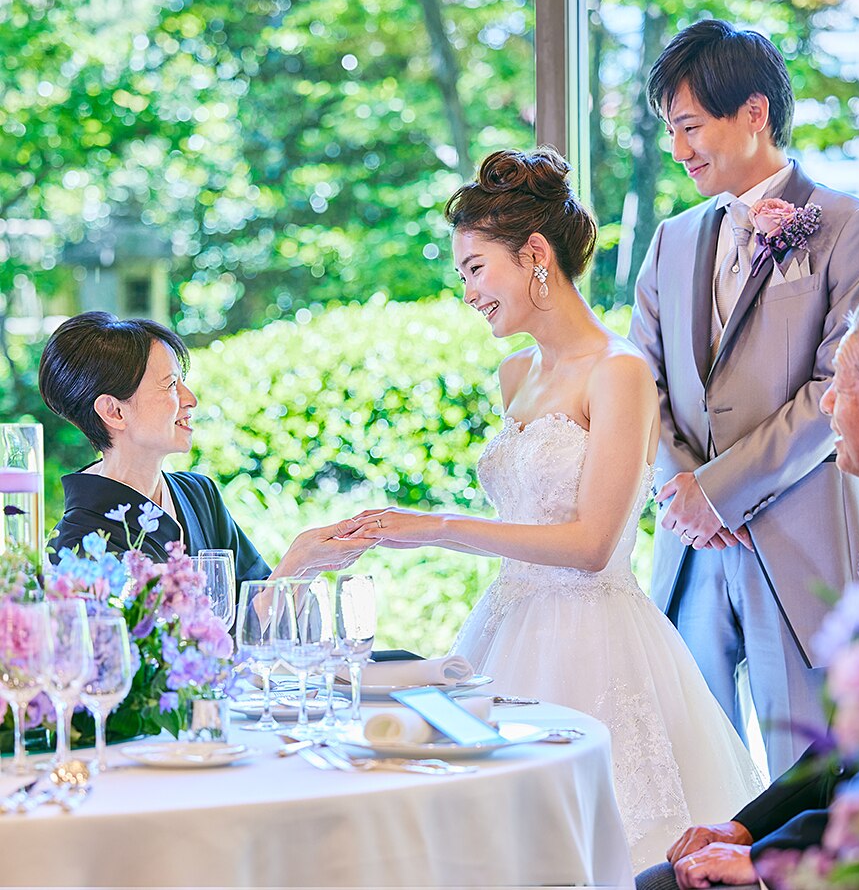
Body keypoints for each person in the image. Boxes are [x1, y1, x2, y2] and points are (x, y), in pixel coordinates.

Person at [343, 148, 764, 870]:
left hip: (595, 643)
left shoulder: (620, 371)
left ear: (535, 255)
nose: (468, 292)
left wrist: (437, 528)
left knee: (598, 849)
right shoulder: (515, 374)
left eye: (475, 269)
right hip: (506, 630)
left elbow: (593, 544)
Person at [627, 19, 859, 778]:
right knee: (696, 779)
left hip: (800, 545)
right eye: (671, 131)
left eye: (689, 127)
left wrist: (720, 492)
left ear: (754, 112)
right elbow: (641, 380)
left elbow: (840, 388)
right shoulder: (671, 239)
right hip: (691, 550)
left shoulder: (854, 229)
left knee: (803, 782)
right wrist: (684, 491)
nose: (677, 150)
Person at [635, 288, 859, 890]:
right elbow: (851, 745)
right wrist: (744, 828)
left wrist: (769, 860)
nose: (824, 402)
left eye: (841, 388)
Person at [39, 311, 375, 582]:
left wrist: (305, 564)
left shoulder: (199, 494)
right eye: (171, 385)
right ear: (114, 411)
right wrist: (297, 562)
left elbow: (257, 615)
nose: (190, 399)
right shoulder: (77, 546)